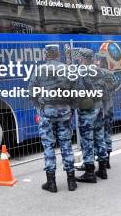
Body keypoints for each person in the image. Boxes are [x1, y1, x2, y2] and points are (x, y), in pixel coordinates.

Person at [28, 44, 76, 193]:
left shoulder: (39, 70)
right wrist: (71, 108)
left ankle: (52, 182)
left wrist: (40, 107)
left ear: (46, 54)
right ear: (58, 54)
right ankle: (71, 181)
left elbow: (31, 92)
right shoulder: (67, 70)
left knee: (48, 146)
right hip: (64, 111)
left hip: (47, 112)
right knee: (66, 145)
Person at [74, 49, 108, 183]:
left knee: (87, 140)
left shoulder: (80, 71)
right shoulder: (98, 70)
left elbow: (77, 90)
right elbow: (105, 89)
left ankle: (89, 172)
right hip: (99, 107)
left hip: (87, 109)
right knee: (100, 137)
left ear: (82, 58)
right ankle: (102, 169)